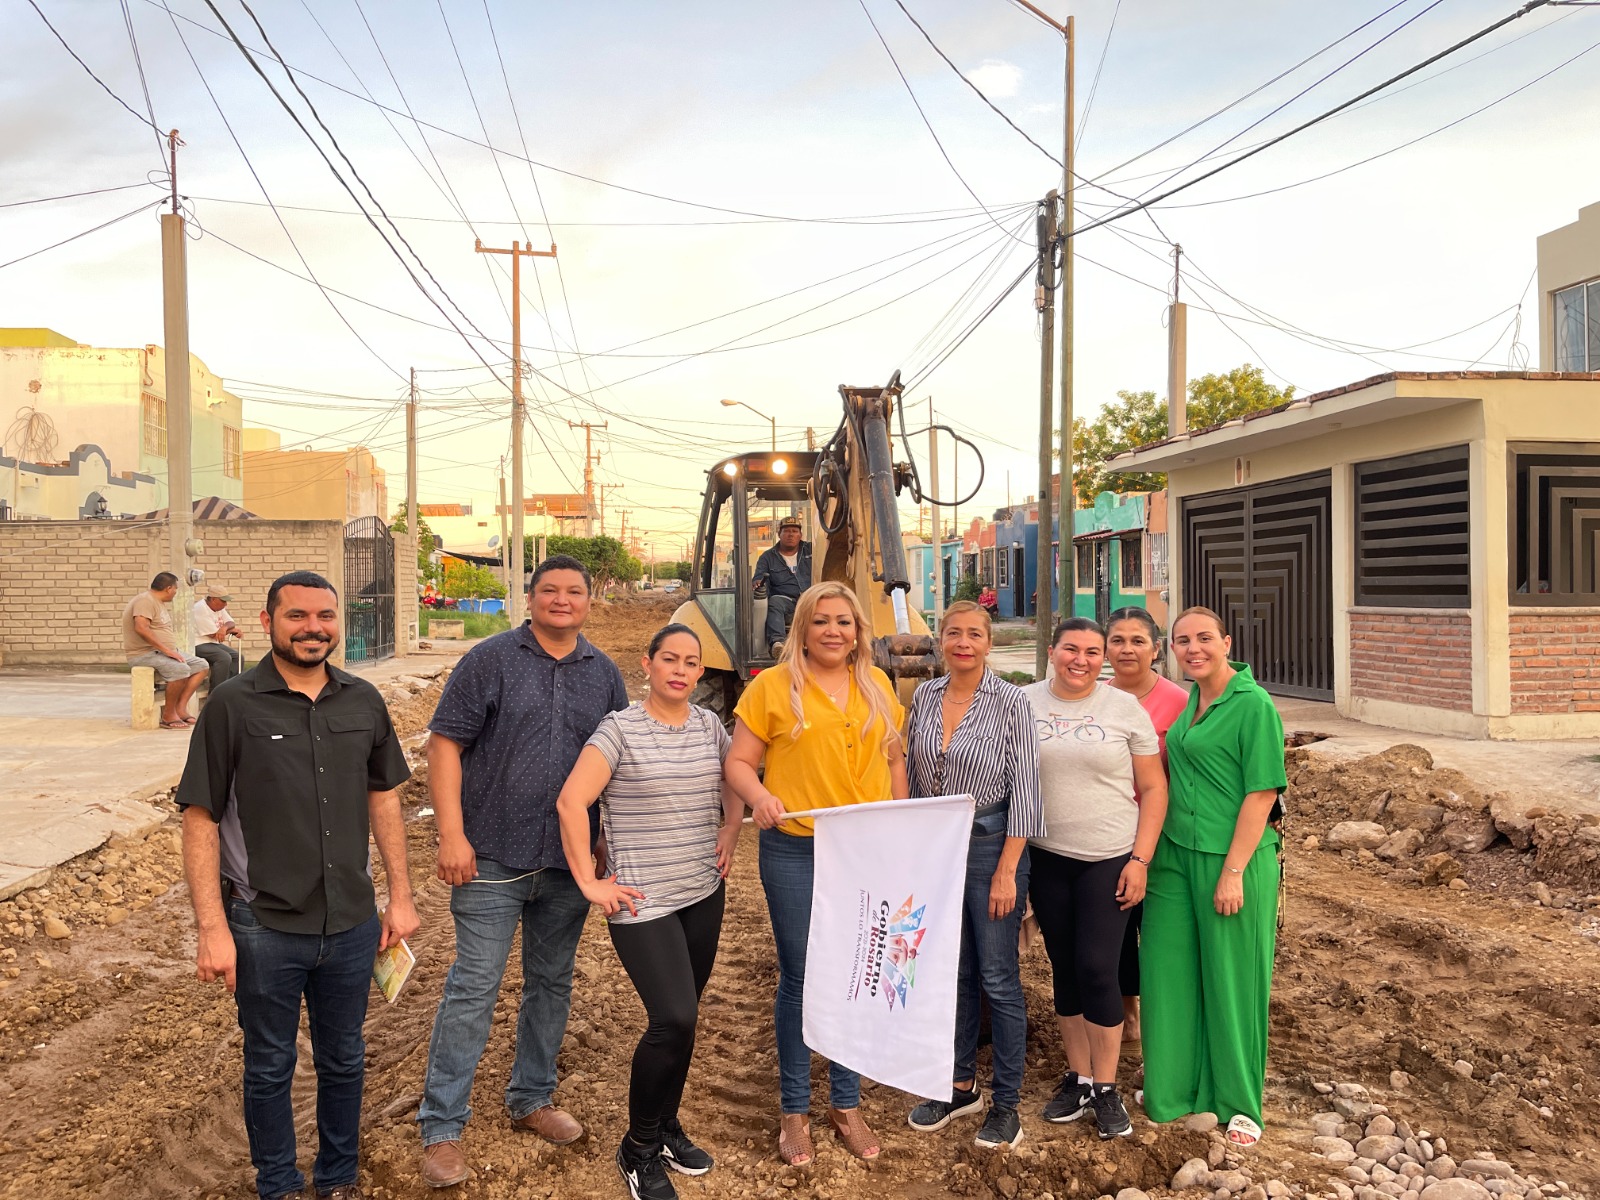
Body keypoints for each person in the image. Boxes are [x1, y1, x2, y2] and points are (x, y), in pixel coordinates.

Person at [177, 570, 418, 1200]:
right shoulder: (232, 703)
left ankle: (338, 1179)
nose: (314, 628)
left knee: (345, 1059)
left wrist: (401, 895)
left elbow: (384, 798)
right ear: (268, 622)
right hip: (263, 927)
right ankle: (278, 1185)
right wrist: (211, 930)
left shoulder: (364, 699)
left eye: (325, 616)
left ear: (338, 622)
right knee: (269, 1065)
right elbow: (199, 818)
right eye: (298, 616)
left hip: (351, 922)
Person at [416, 555, 630, 1188]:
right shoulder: (490, 660)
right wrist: (451, 834)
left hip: (567, 866)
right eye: (549, 591)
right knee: (474, 986)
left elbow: (618, 763)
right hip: (490, 856)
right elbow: (445, 744)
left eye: (574, 592)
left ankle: (531, 1097)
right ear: (530, 598)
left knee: (552, 983)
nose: (561, 600)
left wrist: (603, 846)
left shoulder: (605, 674)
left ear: (590, 602)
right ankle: (442, 1126)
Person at [555, 624, 744, 1200]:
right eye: (670, 659)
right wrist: (589, 880)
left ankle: (666, 1126)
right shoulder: (620, 729)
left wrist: (732, 828)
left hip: (702, 890)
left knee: (685, 1021)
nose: (681, 670)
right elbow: (571, 800)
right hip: (642, 901)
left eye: (691, 662)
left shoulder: (710, 725)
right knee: (674, 1019)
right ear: (648, 664)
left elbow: (734, 776)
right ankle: (637, 1149)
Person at [724, 581, 908, 1166]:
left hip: (864, 852)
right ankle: (795, 1109)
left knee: (857, 972)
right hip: (796, 850)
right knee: (803, 977)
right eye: (822, 621)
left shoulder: (877, 685)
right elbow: (739, 763)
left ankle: (846, 1103)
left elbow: (894, 759)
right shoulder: (773, 689)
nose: (834, 631)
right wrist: (759, 797)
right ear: (802, 628)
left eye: (845, 622)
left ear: (858, 631)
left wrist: (900, 826)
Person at [1140, 606, 1287, 1150]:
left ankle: (1239, 1102)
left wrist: (1233, 872)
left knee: (1232, 980)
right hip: (1174, 855)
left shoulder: (1252, 705)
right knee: (1168, 972)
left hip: (1232, 859)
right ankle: (1174, 1089)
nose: (1193, 648)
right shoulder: (1191, 702)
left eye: (1204, 638)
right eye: (1182, 640)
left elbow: (1263, 793)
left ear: (1227, 641)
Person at [903, 600, 1042, 1150]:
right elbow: (913, 779)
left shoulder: (1011, 702)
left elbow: (1027, 792)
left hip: (990, 851)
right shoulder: (926, 697)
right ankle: (961, 1085)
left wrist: (1008, 870)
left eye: (975, 634)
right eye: (954, 633)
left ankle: (1007, 1103)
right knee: (952, 974)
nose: (964, 642)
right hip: (938, 852)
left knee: (998, 979)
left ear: (989, 643)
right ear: (940, 641)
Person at [1024, 618, 1169, 1141]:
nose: (1080, 660)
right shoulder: (1025, 704)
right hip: (1047, 857)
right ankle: (1079, 1076)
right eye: (1070, 649)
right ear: (1053, 651)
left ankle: (1106, 1089)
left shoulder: (1123, 709)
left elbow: (1153, 789)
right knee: (1064, 967)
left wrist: (1140, 860)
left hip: (1109, 856)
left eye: (1091, 651)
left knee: (1097, 968)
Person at [1105, 607, 1191, 1041]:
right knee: (1118, 929)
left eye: (1137, 640)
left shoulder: (1179, 702)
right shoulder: (1096, 698)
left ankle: (1166, 1016)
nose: (1127, 649)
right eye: (1117, 640)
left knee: (1158, 928)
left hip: (1163, 834)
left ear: (1156, 649)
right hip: (1111, 835)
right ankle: (1128, 1010)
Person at [123, 571, 209, 728]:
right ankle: (168, 715)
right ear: (169, 588)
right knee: (180, 670)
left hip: (161, 652)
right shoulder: (145, 601)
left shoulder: (156, 602)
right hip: (144, 653)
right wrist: (167, 650)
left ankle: (180, 708)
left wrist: (170, 650)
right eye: (175, 589)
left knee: (201, 666)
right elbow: (141, 628)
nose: (176, 593)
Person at [751, 516, 812, 657]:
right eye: (786, 531)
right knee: (774, 602)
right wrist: (758, 584)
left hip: (811, 598)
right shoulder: (767, 557)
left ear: (800, 535)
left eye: (795, 531)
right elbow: (759, 577)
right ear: (779, 534)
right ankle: (778, 644)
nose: (791, 534)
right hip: (787, 600)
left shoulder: (811, 551)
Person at [192, 582, 243, 692]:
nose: (225, 604)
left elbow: (230, 622)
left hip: (212, 643)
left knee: (238, 657)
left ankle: (231, 690)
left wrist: (224, 628)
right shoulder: (200, 608)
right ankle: (215, 694)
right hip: (198, 644)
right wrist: (231, 630)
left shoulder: (219, 607)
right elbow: (214, 634)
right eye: (223, 601)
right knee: (224, 657)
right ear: (213, 599)